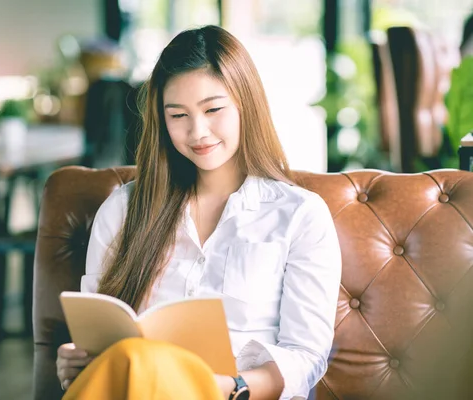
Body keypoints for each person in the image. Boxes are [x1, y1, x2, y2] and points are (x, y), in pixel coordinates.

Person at [56, 25, 342, 400]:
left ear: (246, 103)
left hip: (234, 394)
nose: (198, 132)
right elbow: (98, 331)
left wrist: (229, 387)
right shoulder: (124, 210)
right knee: (131, 357)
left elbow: (305, 357)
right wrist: (77, 363)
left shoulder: (300, 215)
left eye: (213, 109)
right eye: (178, 115)